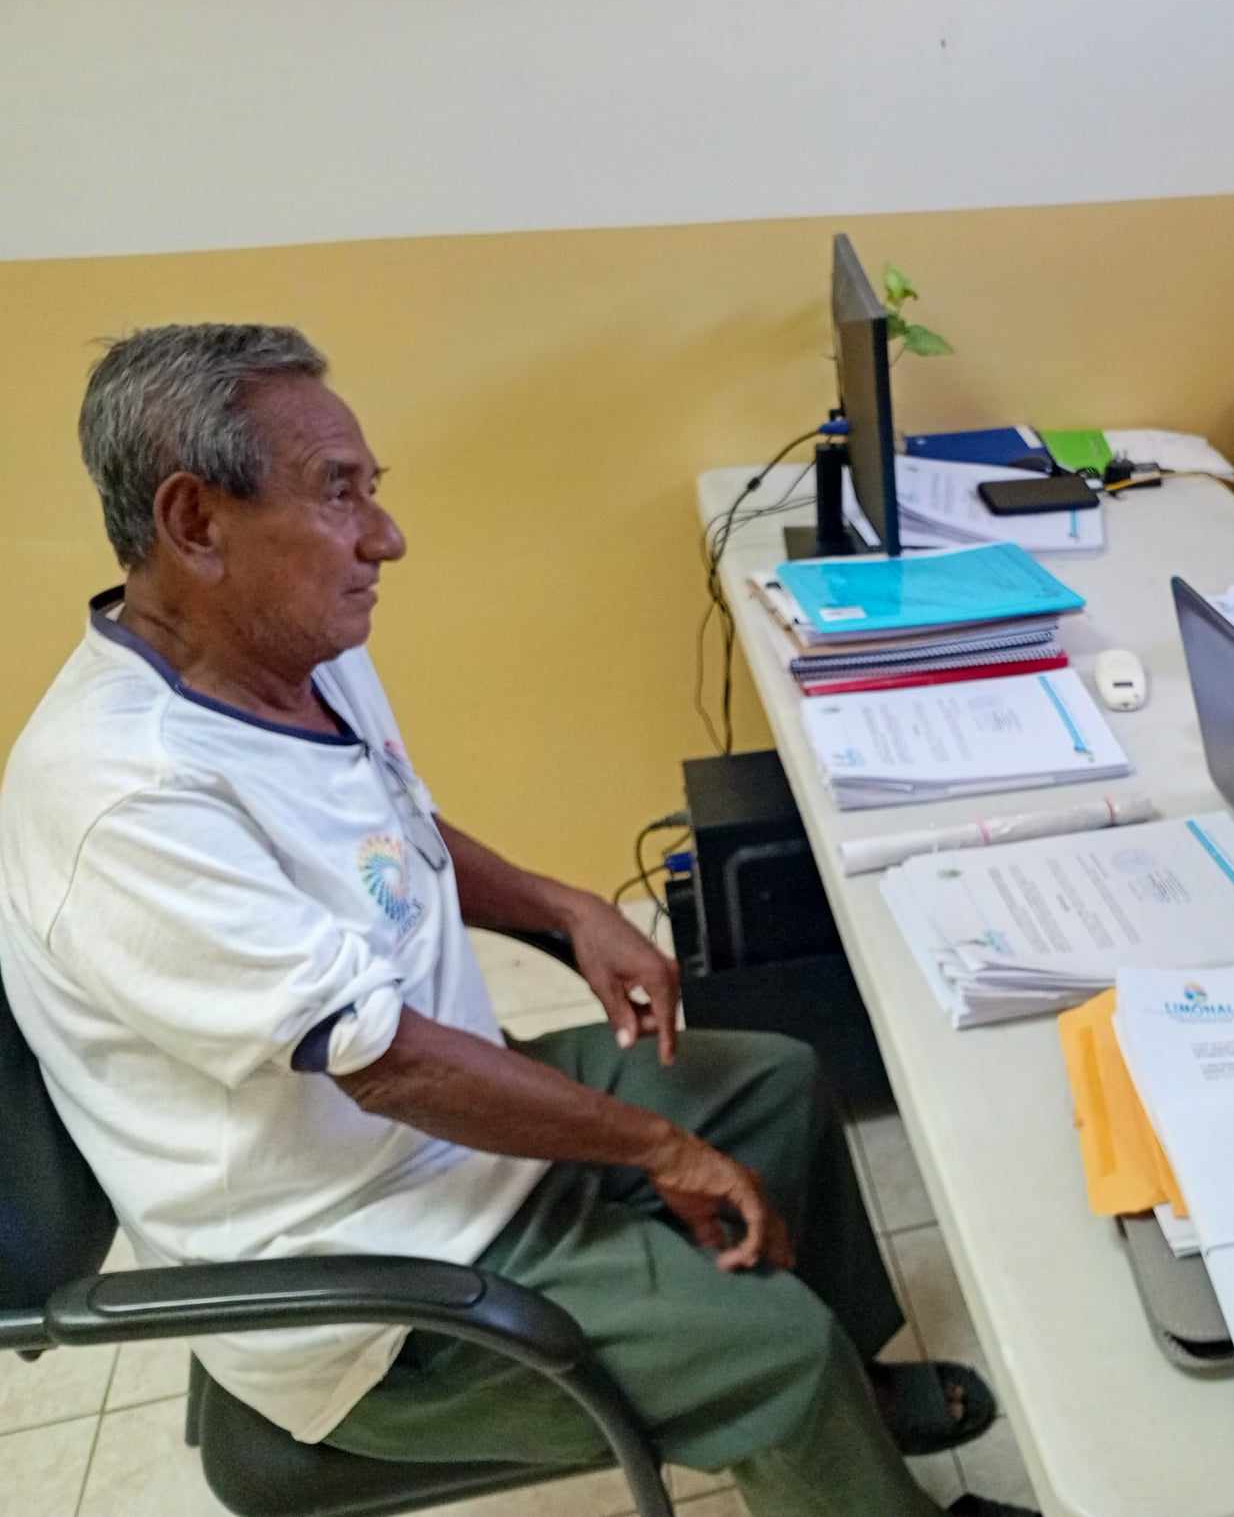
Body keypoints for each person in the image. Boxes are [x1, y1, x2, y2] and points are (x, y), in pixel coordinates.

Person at [0, 323, 1034, 1517]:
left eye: (372, 488)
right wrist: (657, 1148)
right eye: (338, 493)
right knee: (773, 1351)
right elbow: (391, 1070)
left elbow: (392, 825)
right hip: (366, 1276)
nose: (385, 535)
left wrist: (563, 907)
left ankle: (850, 1405)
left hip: (442, 1143)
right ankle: (817, 1412)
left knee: (779, 1086)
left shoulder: (287, 647)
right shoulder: (127, 799)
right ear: (195, 523)